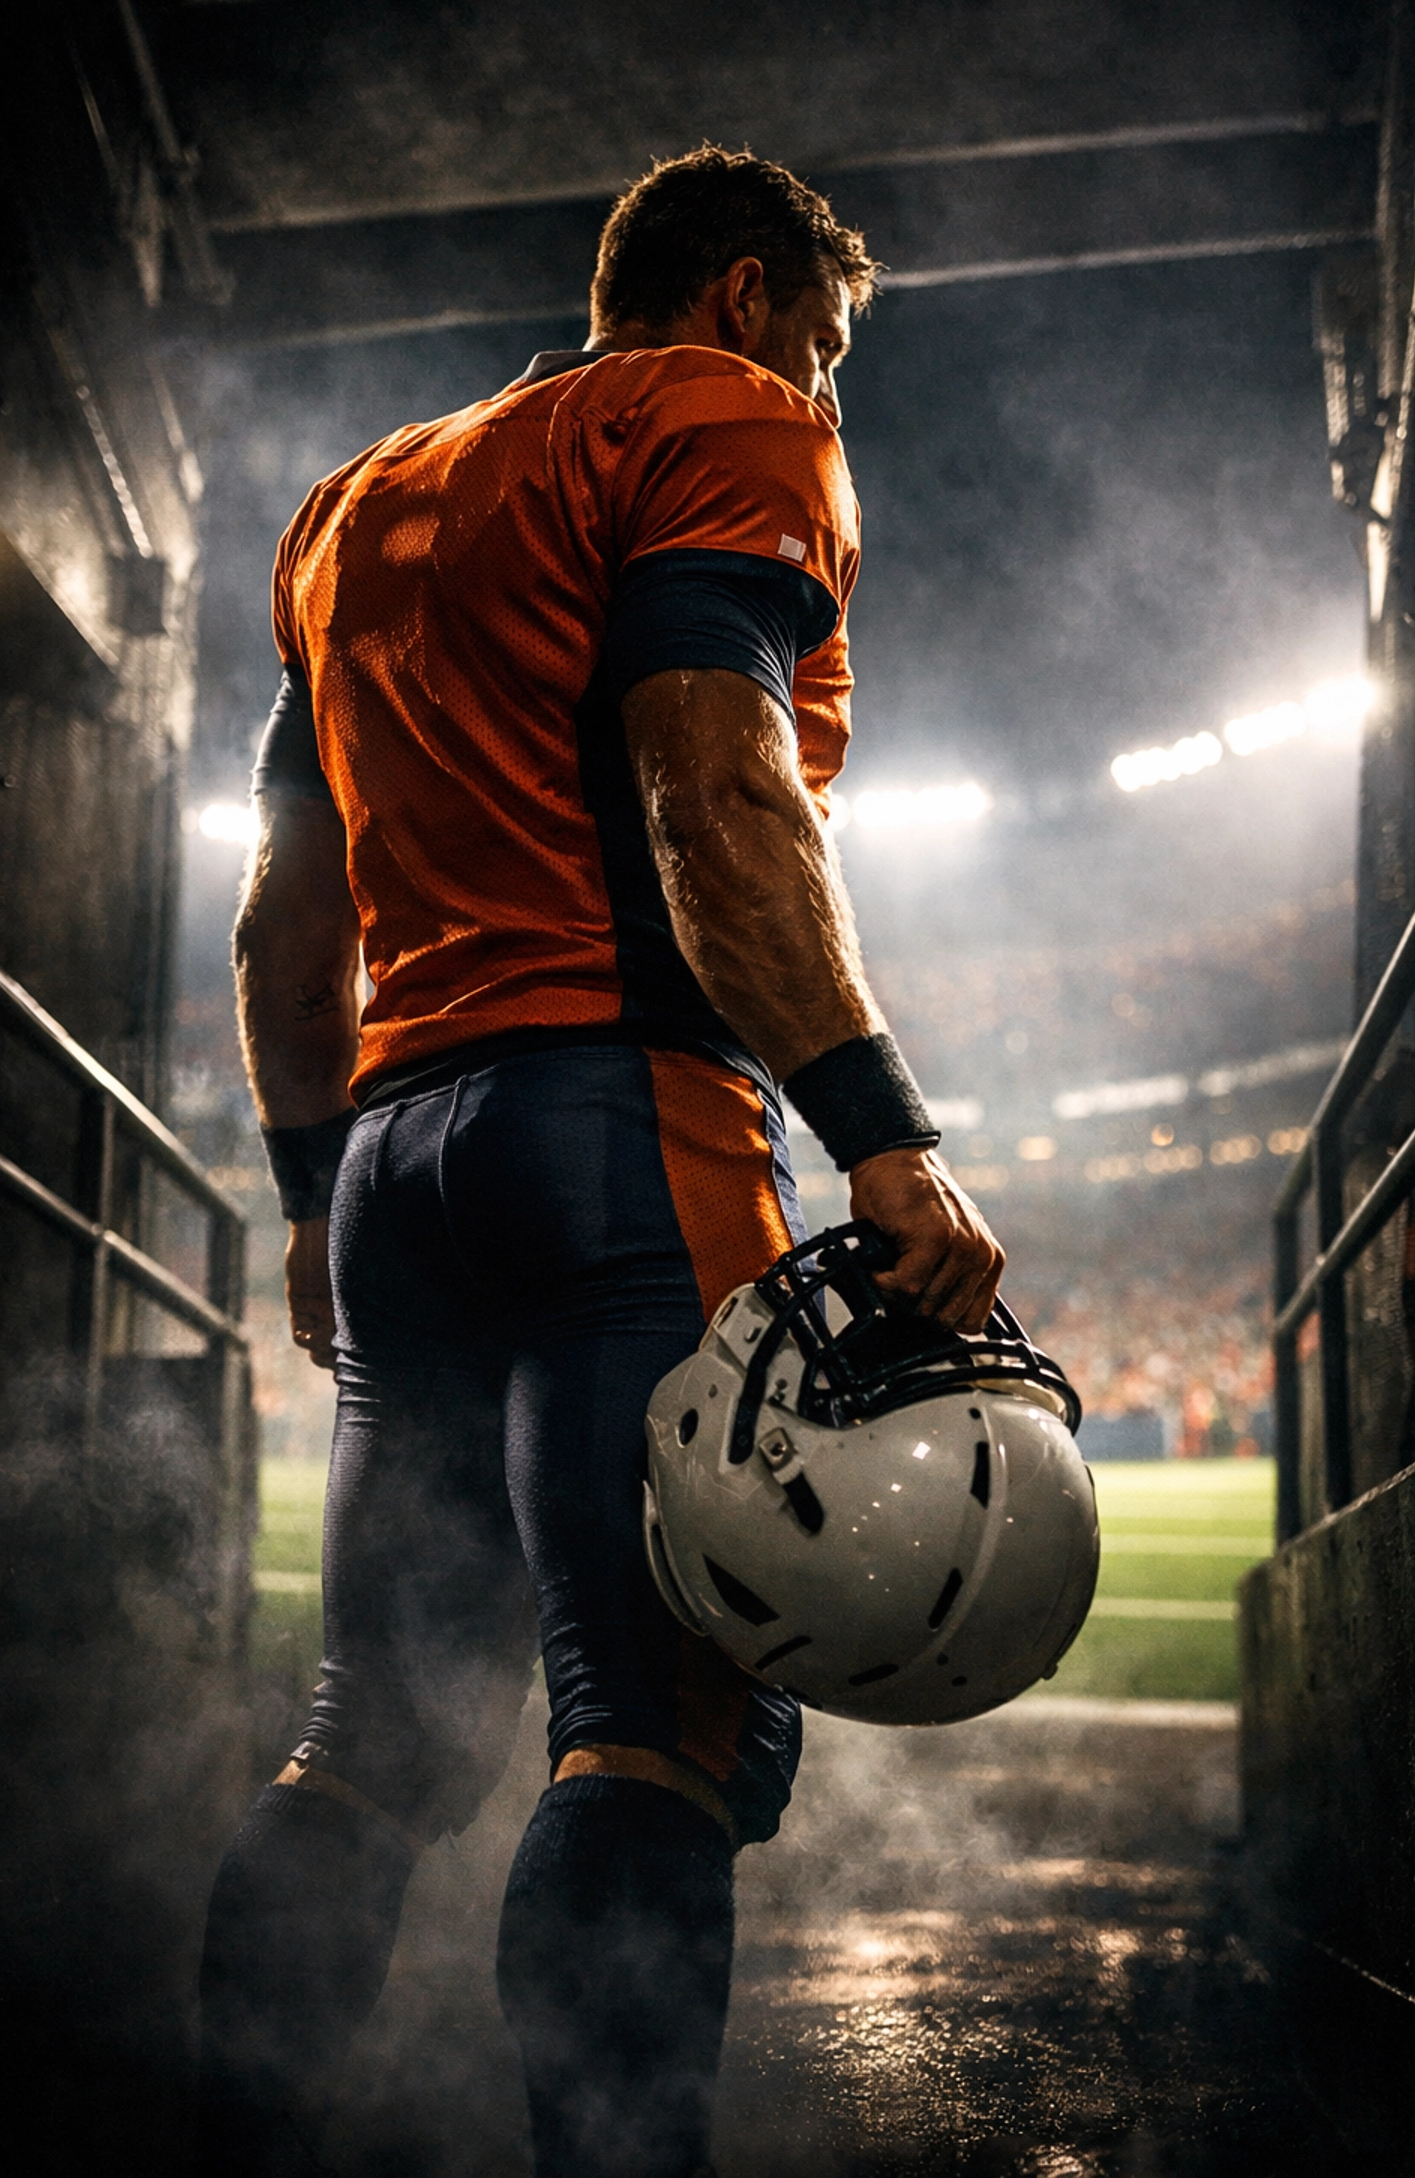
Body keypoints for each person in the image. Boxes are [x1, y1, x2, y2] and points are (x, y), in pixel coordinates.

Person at [199, 143, 1004, 2178]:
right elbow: (711, 789)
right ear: (742, 298)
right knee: (658, 1723)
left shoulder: (351, 504)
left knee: (374, 1737)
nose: (822, 394)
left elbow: (287, 926)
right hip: (619, 1126)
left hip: (394, 1163)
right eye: (819, 345)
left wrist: (307, 1197)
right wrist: (886, 1141)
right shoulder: (715, 416)